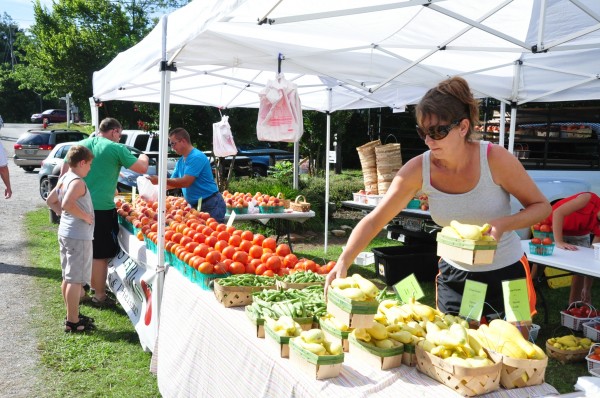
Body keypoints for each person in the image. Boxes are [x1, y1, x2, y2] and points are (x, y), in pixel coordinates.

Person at [325, 76, 551, 318]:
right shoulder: (417, 170)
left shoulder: (495, 160)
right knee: (455, 351)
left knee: (516, 352)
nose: (429, 140)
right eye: (423, 131)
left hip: (507, 272)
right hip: (456, 275)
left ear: (463, 127)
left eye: (438, 131)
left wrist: (503, 224)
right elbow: (375, 220)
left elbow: (541, 207)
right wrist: (344, 260)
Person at [67, 118, 149, 307]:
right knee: (100, 254)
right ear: (114, 132)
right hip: (100, 209)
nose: (119, 137)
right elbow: (141, 168)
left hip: (76, 206)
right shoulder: (115, 148)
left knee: (79, 250)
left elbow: (66, 173)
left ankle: (79, 291)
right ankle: (100, 294)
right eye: (119, 134)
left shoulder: (81, 145)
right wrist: (143, 156)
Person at [46, 145, 96, 332]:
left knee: (68, 277)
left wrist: (61, 215)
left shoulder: (64, 178)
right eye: (89, 164)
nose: (90, 168)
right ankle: (73, 321)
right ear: (81, 162)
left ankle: (71, 315)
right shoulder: (77, 182)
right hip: (78, 235)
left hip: (66, 233)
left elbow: (51, 201)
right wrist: (85, 217)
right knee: (75, 280)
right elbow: (67, 204)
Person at [147, 127, 226, 222]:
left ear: (183, 141)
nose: (172, 147)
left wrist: (160, 180)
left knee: (212, 234)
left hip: (210, 204)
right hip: (197, 205)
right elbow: (170, 184)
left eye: (173, 143)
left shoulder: (196, 157)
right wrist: (150, 190)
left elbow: (186, 182)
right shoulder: (181, 161)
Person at [547, 192, 600, 305]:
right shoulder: (588, 199)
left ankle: (573, 306)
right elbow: (558, 213)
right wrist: (559, 241)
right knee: (539, 263)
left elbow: (591, 259)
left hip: (579, 234)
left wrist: (587, 289)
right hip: (554, 226)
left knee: (580, 269)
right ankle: (528, 290)